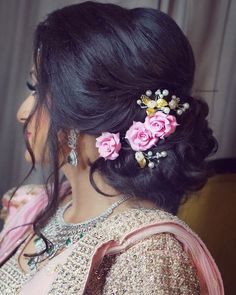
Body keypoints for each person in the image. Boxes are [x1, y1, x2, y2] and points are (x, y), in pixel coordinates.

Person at [0, 1, 224, 294]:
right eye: (33, 89)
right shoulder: (30, 207)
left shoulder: (149, 255)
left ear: (86, 108)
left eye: (39, 91)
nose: (22, 112)